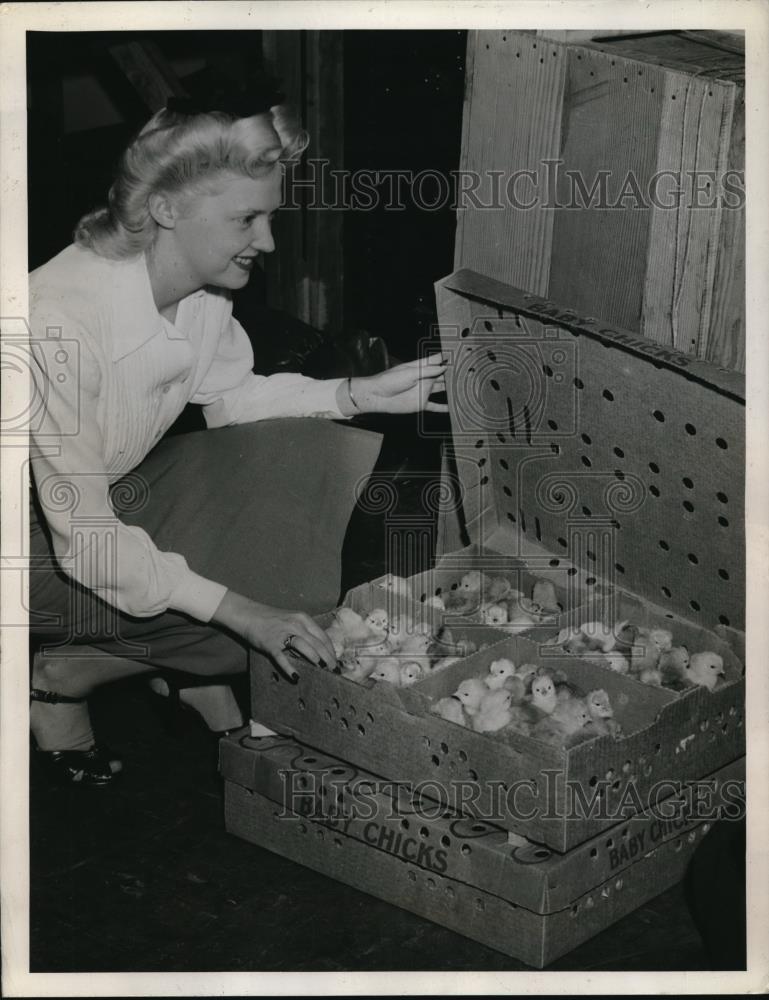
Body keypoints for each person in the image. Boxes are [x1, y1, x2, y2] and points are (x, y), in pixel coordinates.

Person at [28, 101, 447, 786]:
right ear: (165, 210)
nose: (269, 242)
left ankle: (135, 664)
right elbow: (89, 542)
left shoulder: (196, 288)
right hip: (32, 543)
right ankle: (70, 677)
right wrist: (243, 613)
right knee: (255, 605)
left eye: (269, 216)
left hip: (81, 505)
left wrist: (356, 393)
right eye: (246, 220)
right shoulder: (58, 324)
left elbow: (233, 399)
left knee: (299, 458)